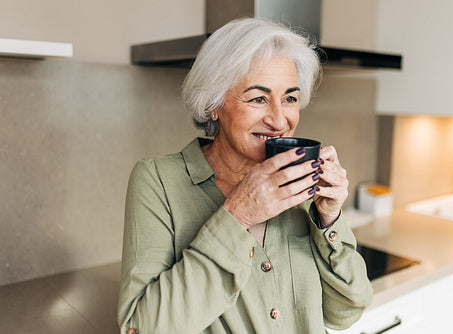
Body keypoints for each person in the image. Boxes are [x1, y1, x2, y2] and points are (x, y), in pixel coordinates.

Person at [118, 18, 372, 334]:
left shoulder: (301, 184)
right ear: (214, 103)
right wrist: (238, 215)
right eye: (258, 98)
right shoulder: (157, 180)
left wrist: (329, 219)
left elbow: (346, 312)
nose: (280, 120)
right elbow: (142, 329)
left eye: (290, 98)